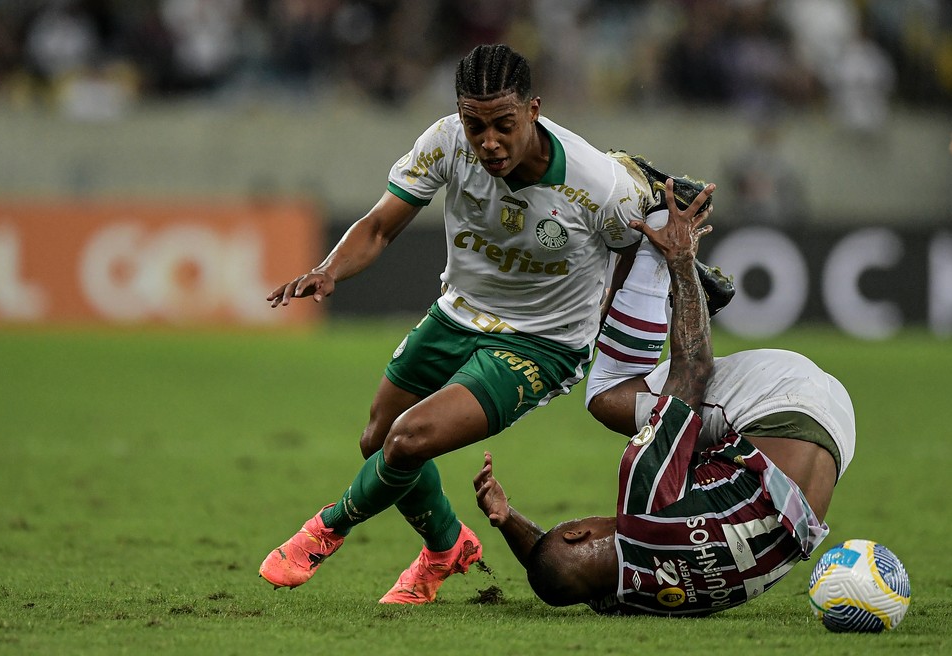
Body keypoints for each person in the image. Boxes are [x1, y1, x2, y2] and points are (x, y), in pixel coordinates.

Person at [258, 43, 673, 604]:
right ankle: (447, 547)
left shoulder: (597, 184)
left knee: (408, 440)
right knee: (377, 438)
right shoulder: (445, 143)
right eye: (475, 126)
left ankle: (325, 530)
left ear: (533, 110)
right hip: (457, 313)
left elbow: (636, 251)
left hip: (542, 343)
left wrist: (606, 320)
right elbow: (380, 226)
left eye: (504, 125)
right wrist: (330, 270)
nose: (489, 142)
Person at [473, 179, 856, 616]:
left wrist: (508, 520)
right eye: (573, 527)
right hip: (782, 398)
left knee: (690, 458)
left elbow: (567, 579)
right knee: (608, 397)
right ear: (577, 534)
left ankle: (666, 291)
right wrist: (681, 258)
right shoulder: (644, 497)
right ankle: (660, 241)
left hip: (838, 436)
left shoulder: (645, 598)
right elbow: (695, 368)